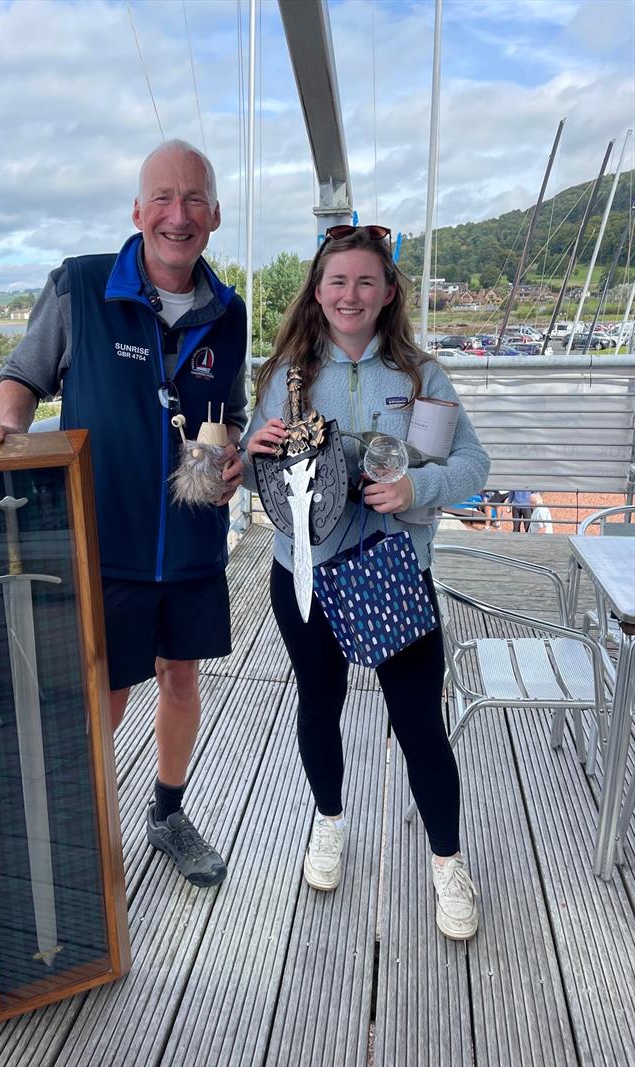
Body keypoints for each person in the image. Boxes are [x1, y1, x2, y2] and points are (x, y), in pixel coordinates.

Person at [0, 140, 247, 888]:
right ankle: (85, 823)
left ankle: (166, 815)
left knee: (181, 681)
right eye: (163, 198)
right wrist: (7, 428)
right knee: (107, 693)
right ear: (137, 212)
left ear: (214, 216)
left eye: (194, 198)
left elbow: (224, 411)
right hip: (106, 543)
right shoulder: (81, 285)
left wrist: (232, 461)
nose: (178, 214)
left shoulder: (226, 314)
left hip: (196, 541)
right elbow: (23, 376)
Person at [242, 225, 490, 940]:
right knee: (319, 705)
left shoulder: (419, 377)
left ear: (387, 293)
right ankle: (329, 821)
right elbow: (257, 469)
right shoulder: (284, 373)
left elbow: (473, 467)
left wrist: (418, 486)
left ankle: (447, 863)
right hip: (308, 578)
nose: (350, 294)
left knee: (418, 725)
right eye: (337, 281)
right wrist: (257, 446)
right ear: (318, 290)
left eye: (365, 282)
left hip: (392, 575)